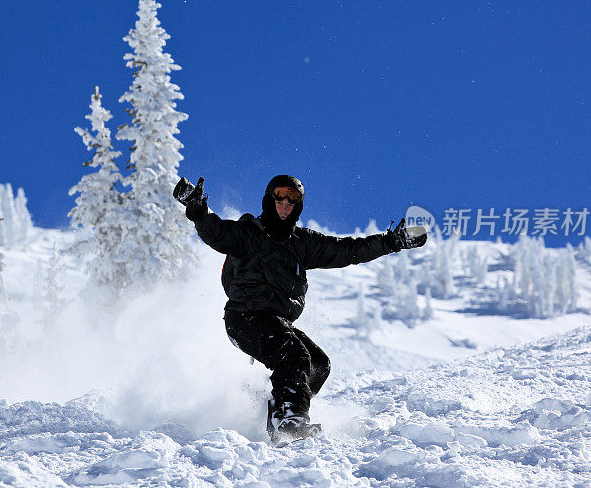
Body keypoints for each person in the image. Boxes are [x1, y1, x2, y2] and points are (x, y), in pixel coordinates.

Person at [173, 174, 426, 443]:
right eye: (279, 196)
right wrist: (197, 207)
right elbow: (216, 232)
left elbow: (349, 250)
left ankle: (276, 408)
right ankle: (289, 421)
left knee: (318, 364)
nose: (284, 203)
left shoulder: (301, 243)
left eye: (292, 199)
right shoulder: (248, 233)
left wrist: (392, 242)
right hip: (245, 317)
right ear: (269, 199)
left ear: (298, 206)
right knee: (293, 356)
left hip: (277, 323)